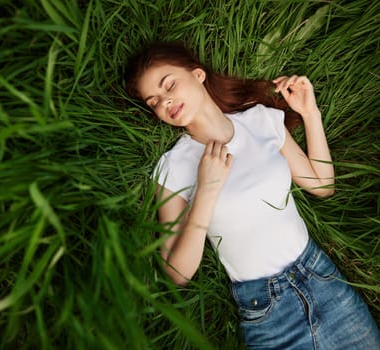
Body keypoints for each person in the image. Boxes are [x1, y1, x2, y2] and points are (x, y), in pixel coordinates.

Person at [124, 41, 380, 349]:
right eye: (154, 102)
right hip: (268, 312)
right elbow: (177, 273)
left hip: (324, 280)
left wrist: (310, 114)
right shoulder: (173, 167)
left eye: (169, 85)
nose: (166, 102)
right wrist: (205, 192)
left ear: (198, 75)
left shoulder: (260, 120)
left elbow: (322, 185)